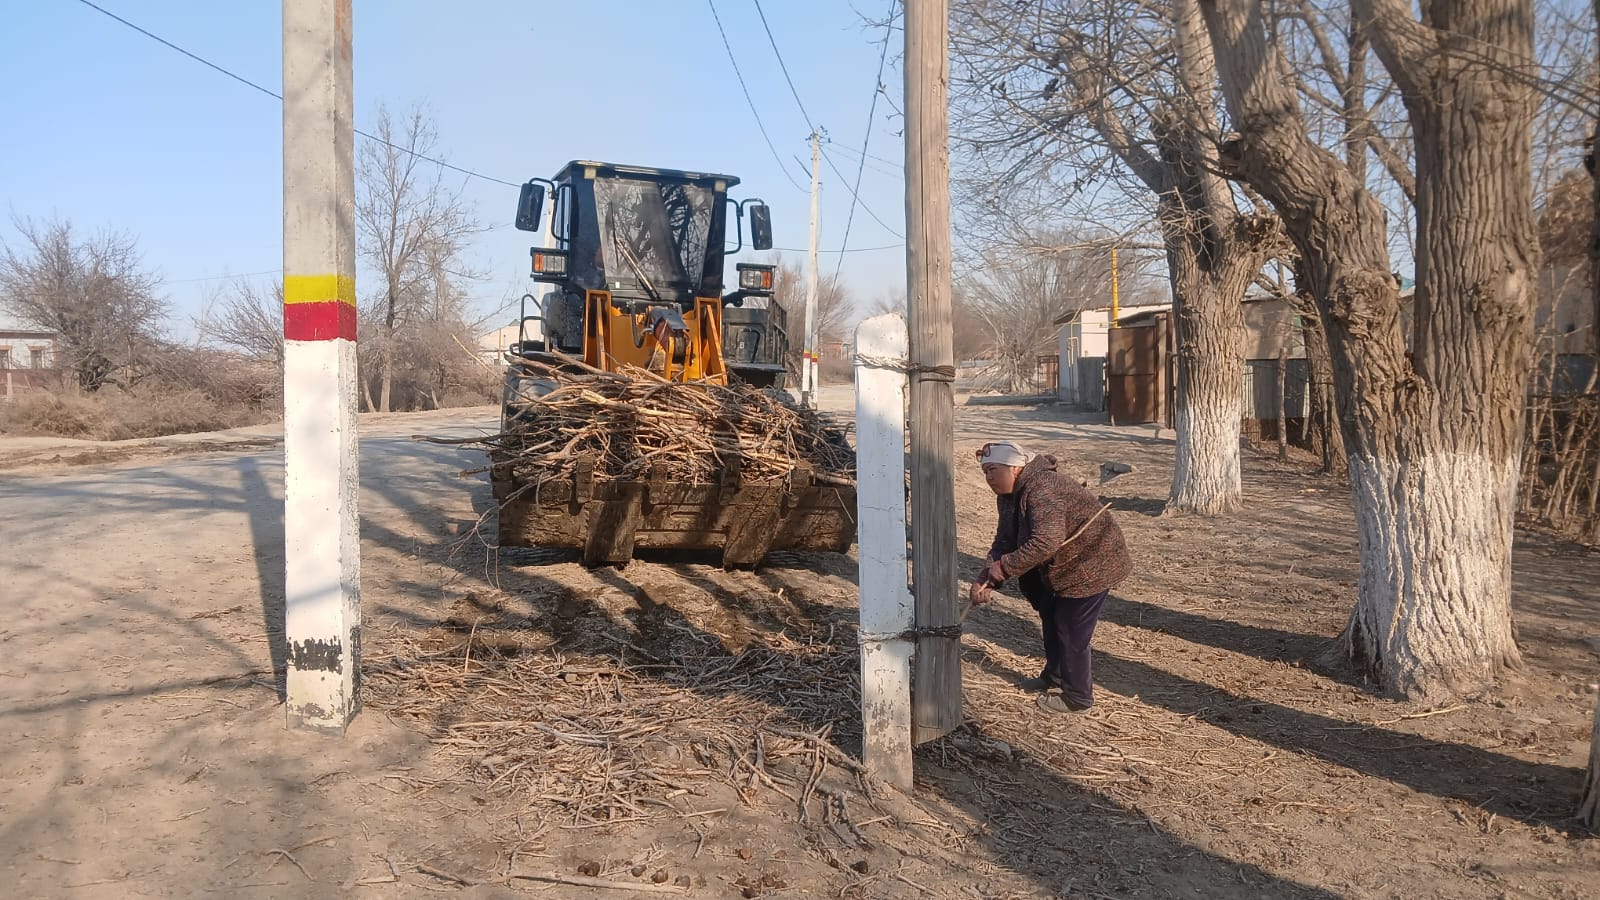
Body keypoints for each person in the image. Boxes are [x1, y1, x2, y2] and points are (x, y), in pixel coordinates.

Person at [970, 440, 1132, 714]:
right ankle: (1055, 676)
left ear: (1016, 468)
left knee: (1069, 628)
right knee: (1050, 613)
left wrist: (1004, 567)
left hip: (1090, 563)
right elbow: (1004, 540)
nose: (989, 478)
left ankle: (1078, 697)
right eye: (985, 472)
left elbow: (1046, 541)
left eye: (993, 470)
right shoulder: (1008, 496)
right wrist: (987, 576)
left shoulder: (1043, 488)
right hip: (1057, 568)